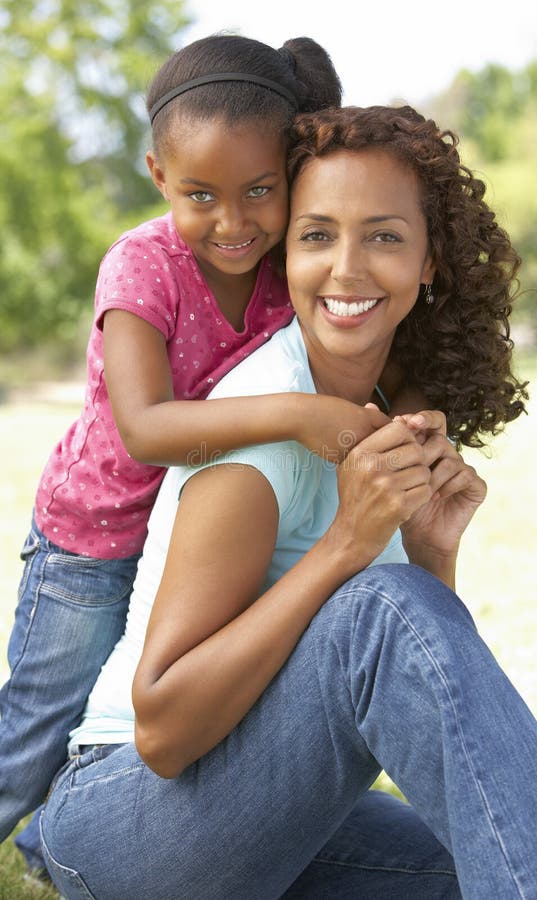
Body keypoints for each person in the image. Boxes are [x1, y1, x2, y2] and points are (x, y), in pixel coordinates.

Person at [39, 105, 537, 900]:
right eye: (317, 236)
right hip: (124, 819)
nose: (347, 268)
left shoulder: (390, 410)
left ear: (430, 260)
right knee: (380, 608)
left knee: (511, 849)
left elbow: (417, 698)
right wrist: (346, 545)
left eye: (384, 236)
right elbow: (161, 731)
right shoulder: (264, 429)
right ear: (286, 256)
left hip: (264, 800)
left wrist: (430, 549)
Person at [1, 34, 394, 874]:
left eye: (260, 191)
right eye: (201, 195)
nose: (233, 222)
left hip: (182, 548)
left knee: (120, 714)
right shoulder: (143, 267)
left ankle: (52, 847)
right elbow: (145, 427)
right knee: (39, 727)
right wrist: (299, 415)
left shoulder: (284, 270)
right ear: (158, 177)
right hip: (93, 542)